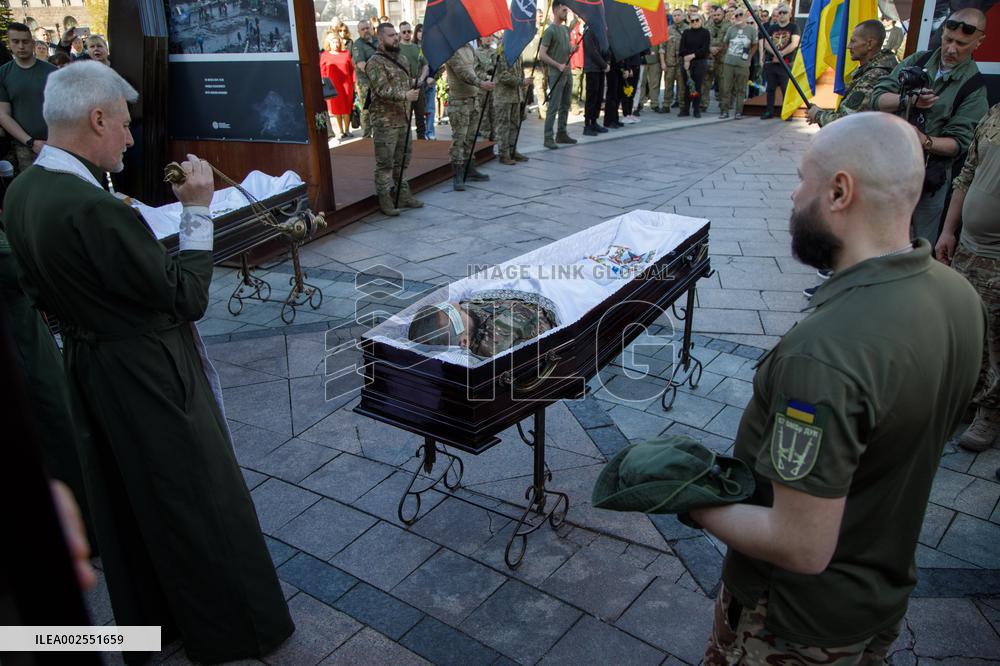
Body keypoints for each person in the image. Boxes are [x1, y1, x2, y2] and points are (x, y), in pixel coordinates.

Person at [3, 61, 294, 662]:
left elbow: (41, 293)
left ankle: (154, 624)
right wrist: (197, 209)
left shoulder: (22, 190)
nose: (132, 139)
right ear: (97, 117)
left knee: (130, 499)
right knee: (195, 495)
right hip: (147, 369)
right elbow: (186, 297)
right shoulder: (92, 207)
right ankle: (235, 628)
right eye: (126, 126)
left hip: (90, 366)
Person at [693, 112, 984, 664]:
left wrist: (688, 501)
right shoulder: (957, 296)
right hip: (879, 599)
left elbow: (800, 544)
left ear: (840, 191)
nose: (793, 195)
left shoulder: (824, 352)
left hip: (792, 625)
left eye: (803, 179)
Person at [872, 8, 988, 247]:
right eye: (948, 40)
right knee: (875, 239)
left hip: (929, 178)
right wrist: (909, 100)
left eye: (962, 43)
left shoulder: (974, 87)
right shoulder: (918, 60)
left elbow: (960, 144)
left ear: (978, 42)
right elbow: (878, 98)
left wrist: (923, 140)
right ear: (942, 32)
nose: (952, 49)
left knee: (918, 248)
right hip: (889, 170)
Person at [936, 103, 1000, 451]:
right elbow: (968, 174)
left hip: (998, 256)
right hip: (969, 249)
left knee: (996, 338)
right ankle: (966, 400)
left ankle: (990, 412)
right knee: (968, 328)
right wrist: (949, 230)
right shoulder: (993, 115)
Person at [368, 23, 423, 216]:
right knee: (386, 163)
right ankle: (385, 199)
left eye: (396, 35)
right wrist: (405, 95)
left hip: (403, 119)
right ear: (381, 39)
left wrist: (420, 80)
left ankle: (402, 195)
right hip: (385, 122)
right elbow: (382, 89)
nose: (396, 38)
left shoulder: (401, 58)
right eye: (391, 36)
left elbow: (407, 82)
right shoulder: (374, 62)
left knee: (403, 160)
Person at [407, 290, 560, 359]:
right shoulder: (499, 335)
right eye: (457, 314)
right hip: (551, 297)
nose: (454, 304)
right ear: (464, 341)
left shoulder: (462, 326)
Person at [806, 20, 897, 127]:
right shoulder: (871, 69)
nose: (849, 46)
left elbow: (847, 121)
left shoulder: (875, 75)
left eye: (853, 41)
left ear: (870, 44)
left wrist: (818, 115)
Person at [0, 22, 57, 172]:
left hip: (57, 143)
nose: (21, 46)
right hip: (24, 147)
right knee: (33, 192)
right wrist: (31, 142)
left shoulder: (52, 72)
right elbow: (3, 114)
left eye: (25, 41)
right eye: (15, 41)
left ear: (32, 43)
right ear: (9, 43)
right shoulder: (3, 74)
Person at [446, 42, 495, 190]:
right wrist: (480, 83)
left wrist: (486, 77)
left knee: (471, 137)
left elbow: (474, 70)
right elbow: (462, 73)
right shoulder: (451, 50)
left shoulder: (469, 48)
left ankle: (470, 168)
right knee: (459, 139)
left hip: (473, 100)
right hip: (459, 101)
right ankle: (458, 175)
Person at [540, 0, 578, 149]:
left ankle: (561, 133)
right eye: (563, 9)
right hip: (556, 74)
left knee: (565, 105)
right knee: (553, 107)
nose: (566, 11)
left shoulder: (564, 30)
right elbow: (542, 55)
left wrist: (572, 49)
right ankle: (548, 137)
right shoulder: (550, 31)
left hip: (567, 73)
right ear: (555, 10)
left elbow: (566, 49)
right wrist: (557, 65)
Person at [759, 5, 800, 119]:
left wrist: (781, 54)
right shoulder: (772, 28)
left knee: (785, 89)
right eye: (780, 12)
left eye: (784, 12)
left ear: (790, 14)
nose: (782, 15)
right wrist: (776, 54)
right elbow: (766, 43)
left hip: (786, 63)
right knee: (770, 88)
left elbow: (794, 43)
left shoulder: (794, 27)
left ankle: (787, 112)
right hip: (771, 62)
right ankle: (769, 111)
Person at [494, 48, 532, 163]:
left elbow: (521, 73)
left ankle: (512, 150)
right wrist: (521, 81)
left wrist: (524, 90)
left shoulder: (518, 53)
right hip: (503, 97)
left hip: (516, 96)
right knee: (503, 126)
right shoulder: (501, 52)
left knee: (514, 125)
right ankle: (503, 154)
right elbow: (502, 75)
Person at [718, 8, 757, 119]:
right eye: (736, 15)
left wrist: (749, 57)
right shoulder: (731, 29)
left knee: (741, 89)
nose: (738, 17)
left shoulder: (751, 30)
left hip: (743, 64)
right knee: (726, 88)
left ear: (745, 16)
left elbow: (755, 44)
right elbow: (725, 43)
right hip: (729, 63)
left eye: (740, 14)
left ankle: (739, 111)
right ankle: (724, 111)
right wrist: (728, 54)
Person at [320, 32, 355, 140]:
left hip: (346, 84)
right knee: (337, 109)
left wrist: (354, 82)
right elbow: (322, 71)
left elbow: (352, 69)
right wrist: (323, 84)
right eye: (333, 42)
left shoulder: (346, 54)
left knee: (347, 107)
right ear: (329, 43)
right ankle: (340, 130)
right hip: (333, 85)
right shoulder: (325, 55)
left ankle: (347, 130)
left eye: (337, 41)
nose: (336, 44)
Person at [399, 21, 429, 141]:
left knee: (420, 116)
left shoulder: (418, 48)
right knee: (405, 117)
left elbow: (425, 65)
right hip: (405, 87)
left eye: (409, 31)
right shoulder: (396, 49)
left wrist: (421, 79)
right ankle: (405, 142)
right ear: (400, 33)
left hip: (418, 86)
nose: (407, 34)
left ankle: (421, 141)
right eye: (404, 32)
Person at [680, 14, 711, 118]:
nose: (694, 22)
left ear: (701, 20)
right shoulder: (686, 32)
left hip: (699, 62)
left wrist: (691, 56)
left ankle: (696, 110)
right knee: (687, 86)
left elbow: (704, 49)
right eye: (692, 21)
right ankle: (685, 110)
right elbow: (682, 48)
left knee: (697, 87)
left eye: (696, 20)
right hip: (686, 62)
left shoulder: (705, 32)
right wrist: (686, 59)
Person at [583, 22, 611, 135]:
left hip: (600, 69)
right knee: (592, 97)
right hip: (592, 68)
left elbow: (605, 48)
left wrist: (607, 62)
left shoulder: (600, 31)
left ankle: (594, 121)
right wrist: (604, 65)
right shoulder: (589, 30)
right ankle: (588, 124)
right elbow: (592, 52)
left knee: (599, 97)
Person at [352, 21, 378, 138]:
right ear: (358, 32)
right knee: (366, 110)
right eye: (362, 29)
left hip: (380, 82)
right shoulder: (358, 45)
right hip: (366, 83)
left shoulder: (378, 40)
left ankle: (379, 134)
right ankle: (366, 136)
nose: (366, 31)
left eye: (367, 28)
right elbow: (361, 65)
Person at [706, 5, 731, 112]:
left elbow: (730, 41)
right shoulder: (707, 25)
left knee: (723, 84)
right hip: (709, 58)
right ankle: (703, 104)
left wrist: (719, 48)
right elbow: (703, 39)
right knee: (705, 83)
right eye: (714, 15)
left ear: (723, 14)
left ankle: (723, 106)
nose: (716, 17)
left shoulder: (729, 26)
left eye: (718, 15)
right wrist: (710, 48)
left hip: (723, 59)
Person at [663, 8, 687, 113]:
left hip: (682, 64)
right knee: (668, 85)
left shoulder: (688, 29)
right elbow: (662, 48)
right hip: (670, 63)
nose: (676, 17)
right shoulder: (668, 29)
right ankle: (666, 105)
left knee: (682, 86)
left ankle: (682, 106)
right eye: (674, 15)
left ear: (683, 16)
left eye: (678, 15)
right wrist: (663, 62)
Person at [474, 35, 497, 141]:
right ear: (481, 38)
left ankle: (493, 141)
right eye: (486, 36)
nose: (488, 38)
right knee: (483, 116)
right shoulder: (476, 52)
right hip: (482, 89)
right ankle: (485, 141)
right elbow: (475, 71)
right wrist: (486, 76)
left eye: (490, 36)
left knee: (495, 115)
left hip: (495, 88)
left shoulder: (495, 52)